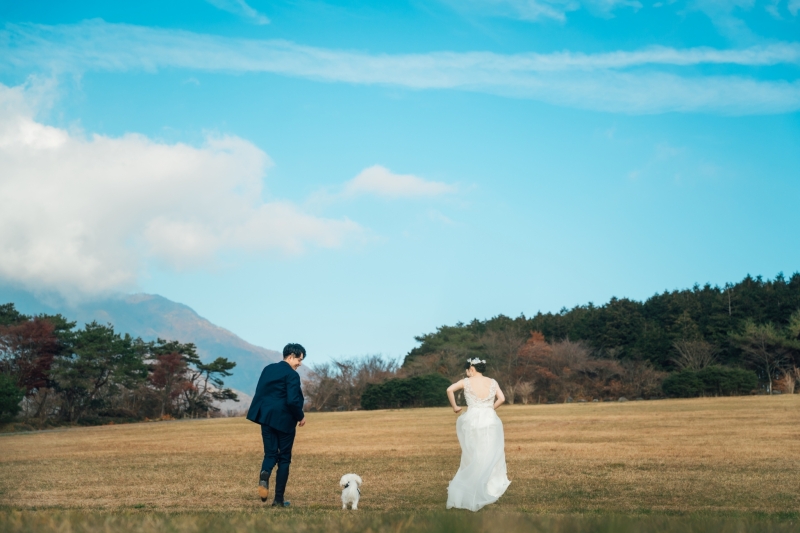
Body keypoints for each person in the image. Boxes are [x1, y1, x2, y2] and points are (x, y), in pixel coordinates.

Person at [445, 357, 511, 511]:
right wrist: (490, 408)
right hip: (490, 420)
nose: (467, 372)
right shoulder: (493, 382)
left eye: (467, 369)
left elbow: (449, 389)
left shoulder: (466, 382)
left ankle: (472, 482)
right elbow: (502, 398)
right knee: (489, 452)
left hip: (473, 420)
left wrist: (455, 406)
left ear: (472, 369)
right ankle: (488, 485)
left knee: (473, 452)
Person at [246, 343, 306, 507]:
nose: (300, 363)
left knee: (270, 454)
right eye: (299, 360)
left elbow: (261, 392)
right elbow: (292, 401)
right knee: (284, 459)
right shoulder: (292, 375)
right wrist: (300, 416)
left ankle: (265, 473)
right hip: (284, 421)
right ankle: (278, 500)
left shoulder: (268, 369)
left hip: (266, 418)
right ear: (291, 356)